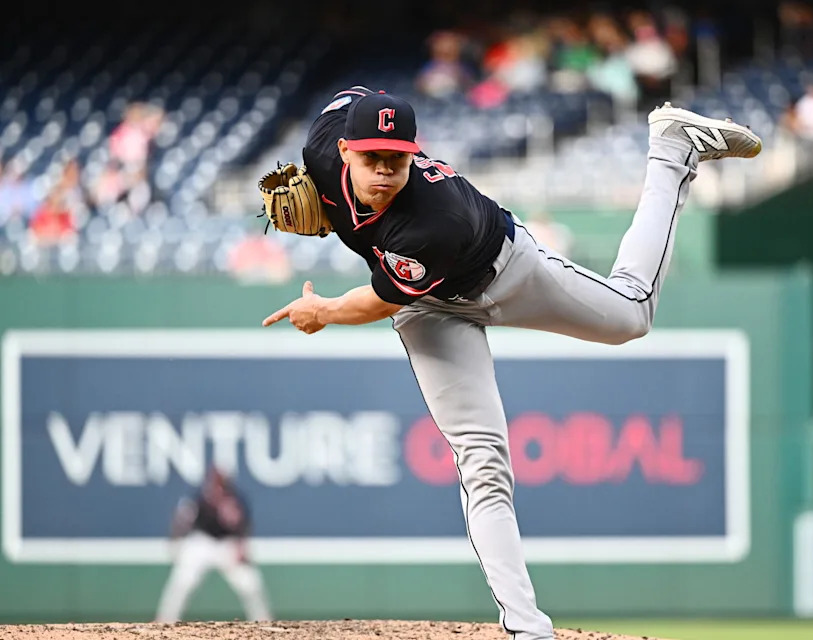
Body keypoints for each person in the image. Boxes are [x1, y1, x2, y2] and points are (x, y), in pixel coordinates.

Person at [260, 87, 761, 640]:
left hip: (503, 270)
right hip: (431, 312)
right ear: (345, 151)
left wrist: (323, 310)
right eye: (371, 157)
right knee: (482, 456)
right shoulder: (320, 147)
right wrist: (335, 203)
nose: (383, 172)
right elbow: (347, 97)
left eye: (396, 160)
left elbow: (379, 302)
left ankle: (672, 148)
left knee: (631, 316)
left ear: (414, 155)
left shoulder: (431, 220)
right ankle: (527, 626)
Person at [155, 468, 271, 623]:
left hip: (227, 543)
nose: (218, 485)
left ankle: (263, 620)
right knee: (183, 580)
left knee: (250, 582)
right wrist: (176, 540)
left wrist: (241, 547)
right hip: (202, 542)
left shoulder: (236, 499)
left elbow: (244, 525)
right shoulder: (201, 497)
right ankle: (165, 620)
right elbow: (183, 519)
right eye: (216, 480)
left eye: (221, 481)